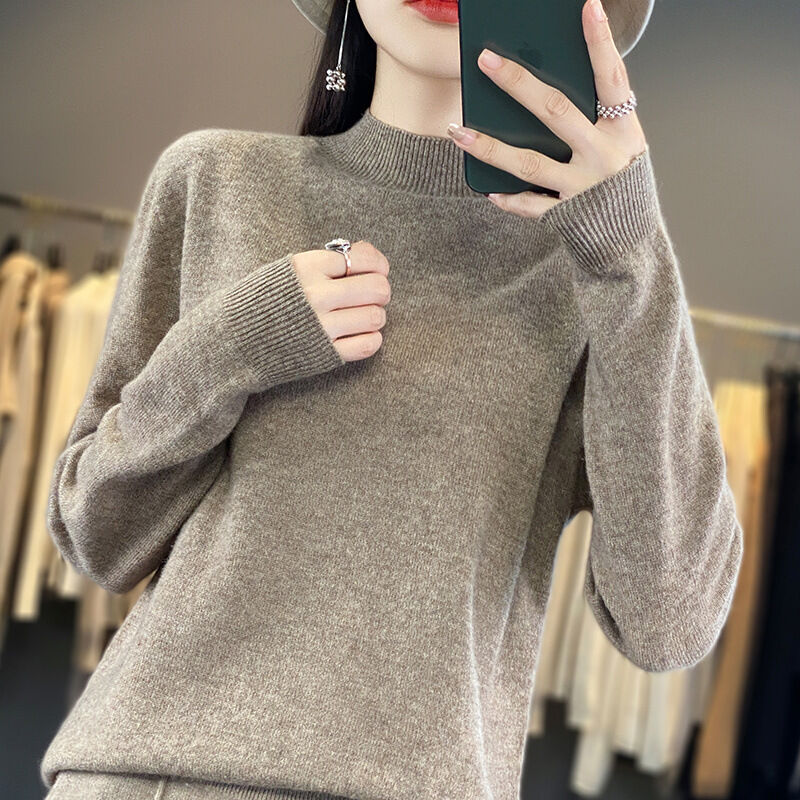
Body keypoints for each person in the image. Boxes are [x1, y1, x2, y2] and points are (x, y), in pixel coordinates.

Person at [41, 0, 743, 798]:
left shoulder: (591, 270)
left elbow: (669, 621)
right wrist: (232, 343)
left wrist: (627, 250)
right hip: (148, 773)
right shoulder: (215, 181)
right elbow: (99, 534)